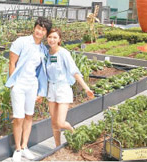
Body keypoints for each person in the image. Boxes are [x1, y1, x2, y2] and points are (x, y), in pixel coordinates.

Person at [5, 17, 52, 162]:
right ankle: (17, 149)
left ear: (45, 33)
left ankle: (25, 147)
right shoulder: (21, 42)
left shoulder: (43, 50)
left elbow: (41, 72)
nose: (39, 31)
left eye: (43, 30)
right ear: (34, 28)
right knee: (18, 117)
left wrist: (41, 91)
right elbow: (12, 63)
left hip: (32, 85)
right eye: (38, 27)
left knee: (29, 116)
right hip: (19, 85)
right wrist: (13, 84)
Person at [45, 28, 94, 147]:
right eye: (50, 37)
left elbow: (74, 71)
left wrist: (86, 88)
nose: (52, 40)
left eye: (55, 37)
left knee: (61, 122)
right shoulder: (47, 53)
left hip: (63, 89)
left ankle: (75, 133)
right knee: (54, 122)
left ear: (59, 40)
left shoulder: (63, 53)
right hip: (51, 89)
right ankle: (57, 146)